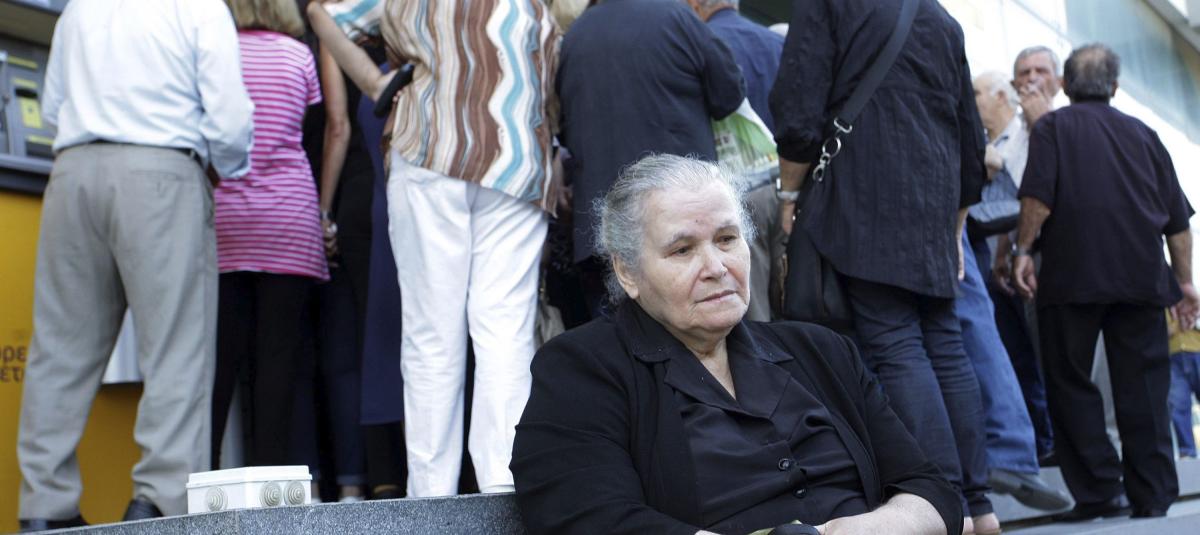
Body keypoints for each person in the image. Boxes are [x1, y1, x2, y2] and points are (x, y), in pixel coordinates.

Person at [512, 154, 961, 535]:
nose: (716, 267)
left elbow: (930, 490)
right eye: (683, 250)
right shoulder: (581, 369)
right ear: (627, 272)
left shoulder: (822, 351)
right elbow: (589, 518)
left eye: (727, 239)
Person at [17, 0, 253, 529]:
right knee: (176, 350)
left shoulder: (79, 9)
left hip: (73, 173)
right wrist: (222, 164)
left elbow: (52, 108)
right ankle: (160, 502)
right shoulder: (198, 7)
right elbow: (230, 117)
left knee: (59, 351)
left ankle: (44, 506)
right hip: (161, 168)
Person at [306, 0, 558, 496]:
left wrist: (375, 84)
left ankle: (432, 496)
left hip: (431, 148)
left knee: (431, 335)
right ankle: (503, 486)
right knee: (505, 332)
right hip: (517, 161)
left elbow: (323, 13)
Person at [770, 1, 996, 531]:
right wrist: (955, 226)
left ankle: (946, 508)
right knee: (946, 346)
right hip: (932, 202)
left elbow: (800, 103)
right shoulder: (941, 19)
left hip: (865, 196)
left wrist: (789, 195)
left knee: (896, 346)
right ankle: (979, 505)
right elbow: (972, 139)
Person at [1012, 43, 1199, 521]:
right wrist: (1186, 283)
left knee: (1069, 381)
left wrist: (1023, 251)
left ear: (1066, 85)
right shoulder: (1144, 134)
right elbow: (1178, 222)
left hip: (1071, 274)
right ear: (1114, 87)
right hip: (1141, 276)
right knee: (1145, 387)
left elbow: (1037, 199)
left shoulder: (1052, 127)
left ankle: (1099, 490)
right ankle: (1152, 495)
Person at [555, 0, 745, 316]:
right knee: (700, 331)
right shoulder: (677, 17)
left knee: (613, 339)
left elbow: (561, 126)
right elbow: (729, 93)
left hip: (601, 228)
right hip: (683, 221)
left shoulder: (574, 36)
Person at [209, 0, 328, 472]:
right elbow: (310, 131)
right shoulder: (299, 55)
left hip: (225, 221)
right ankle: (269, 486)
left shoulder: (215, 50)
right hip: (288, 221)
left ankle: (199, 476)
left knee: (217, 364)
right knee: (278, 365)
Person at [960, 72, 1068, 510]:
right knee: (1012, 353)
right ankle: (1031, 446)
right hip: (996, 259)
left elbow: (1035, 194)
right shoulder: (991, 140)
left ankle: (1042, 445)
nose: (972, 100)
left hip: (1030, 257)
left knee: (1038, 355)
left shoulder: (1028, 135)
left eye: (977, 93)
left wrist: (1019, 249)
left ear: (1001, 96)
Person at [687, 0, 786, 322]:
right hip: (786, 188)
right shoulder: (776, 43)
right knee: (791, 296)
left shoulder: (701, 46)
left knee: (750, 309)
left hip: (735, 193)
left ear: (693, 5)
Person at [988, 47, 1065, 463]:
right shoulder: (1010, 136)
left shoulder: (1065, 123)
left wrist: (1043, 124)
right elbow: (1012, 199)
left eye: (1041, 70)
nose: (1031, 78)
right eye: (1023, 72)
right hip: (1014, 256)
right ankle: (1043, 440)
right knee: (1022, 355)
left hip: (1056, 257)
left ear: (1058, 80)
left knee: (1057, 354)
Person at [1167, 312, 1200, 459]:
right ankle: (1187, 452)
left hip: (1197, 350)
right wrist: (1176, 325)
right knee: (1178, 405)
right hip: (1172, 356)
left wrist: (1191, 319)